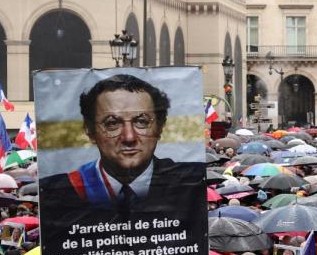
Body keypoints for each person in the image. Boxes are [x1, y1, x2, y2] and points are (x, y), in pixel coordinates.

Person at [42, 74, 204, 212]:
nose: (129, 137)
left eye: (141, 122)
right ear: (90, 131)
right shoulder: (55, 192)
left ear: (160, 127)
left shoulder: (192, 183)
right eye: (112, 123)